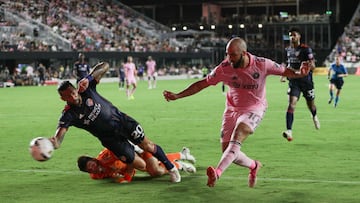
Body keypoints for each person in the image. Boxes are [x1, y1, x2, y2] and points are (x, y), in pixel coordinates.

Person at [163, 37, 311, 188]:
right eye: (228, 54)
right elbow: (202, 83)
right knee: (229, 151)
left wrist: (300, 73)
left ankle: (217, 173)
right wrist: (178, 95)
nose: (229, 58)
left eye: (233, 55)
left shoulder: (262, 64)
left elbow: (285, 71)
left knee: (238, 136)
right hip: (231, 110)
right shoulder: (224, 67)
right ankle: (254, 166)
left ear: (244, 53)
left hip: (254, 109)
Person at [49, 61, 181, 183]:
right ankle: (166, 161)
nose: (73, 96)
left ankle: (172, 169)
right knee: (143, 166)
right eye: (68, 96)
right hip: (111, 140)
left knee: (148, 146)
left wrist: (89, 78)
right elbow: (59, 138)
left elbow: (104, 66)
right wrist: (55, 143)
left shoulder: (86, 89)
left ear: (74, 89)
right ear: (62, 98)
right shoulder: (68, 115)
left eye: (73, 92)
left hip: (122, 122)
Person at [281, 27, 320, 142]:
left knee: (311, 105)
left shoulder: (305, 49)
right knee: (291, 104)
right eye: (290, 35)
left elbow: (313, 66)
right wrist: (284, 75)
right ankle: (289, 131)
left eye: (294, 35)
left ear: (299, 36)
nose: (292, 37)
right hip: (294, 81)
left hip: (306, 82)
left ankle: (314, 116)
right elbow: (288, 65)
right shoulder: (288, 50)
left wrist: (308, 66)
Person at [77, 146, 196, 183]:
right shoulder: (96, 175)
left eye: (92, 165)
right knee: (152, 167)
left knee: (154, 170)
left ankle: (179, 165)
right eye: (90, 169)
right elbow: (114, 175)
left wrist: (127, 177)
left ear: (94, 159)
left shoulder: (108, 156)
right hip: (133, 159)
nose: (94, 169)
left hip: (137, 152)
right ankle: (181, 156)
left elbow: (130, 160)